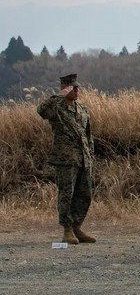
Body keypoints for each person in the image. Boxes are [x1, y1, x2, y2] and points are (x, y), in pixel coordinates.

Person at [37, 73, 96, 245]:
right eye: (73, 87)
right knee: (66, 195)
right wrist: (58, 96)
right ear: (65, 88)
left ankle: (77, 226)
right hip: (66, 159)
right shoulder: (56, 108)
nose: (77, 90)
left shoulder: (82, 109)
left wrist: (90, 155)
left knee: (85, 194)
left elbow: (88, 134)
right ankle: (67, 229)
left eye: (78, 87)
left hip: (83, 158)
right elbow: (41, 111)